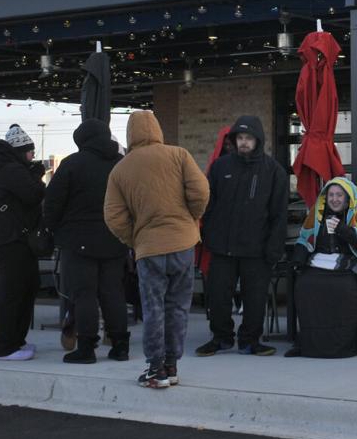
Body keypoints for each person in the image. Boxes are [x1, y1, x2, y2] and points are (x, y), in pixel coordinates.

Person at [104, 110, 210, 388]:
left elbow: (113, 216)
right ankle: (172, 364)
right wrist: (190, 219)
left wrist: (134, 239)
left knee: (154, 308)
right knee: (178, 307)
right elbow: (201, 191)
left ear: (130, 134)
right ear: (158, 130)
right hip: (183, 243)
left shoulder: (121, 169)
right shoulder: (179, 155)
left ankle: (155, 368)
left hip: (149, 249)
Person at [195, 115, 288, 359]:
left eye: (248, 138)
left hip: (257, 249)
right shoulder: (220, 167)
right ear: (234, 140)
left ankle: (250, 341)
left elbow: (279, 214)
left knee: (255, 298)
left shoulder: (273, 171)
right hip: (221, 246)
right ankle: (221, 338)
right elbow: (208, 204)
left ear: (258, 140)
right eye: (240, 138)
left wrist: (273, 249)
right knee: (217, 296)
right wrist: (208, 235)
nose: (244, 142)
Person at [44, 120, 130, 363]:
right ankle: (120, 344)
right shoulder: (120, 164)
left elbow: (52, 203)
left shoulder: (72, 164)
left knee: (84, 294)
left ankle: (86, 347)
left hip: (78, 240)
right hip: (115, 237)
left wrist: (53, 229)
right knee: (113, 292)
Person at [289, 177, 357, 357]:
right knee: (304, 284)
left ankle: (350, 343)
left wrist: (344, 230)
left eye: (339, 195)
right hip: (320, 263)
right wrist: (298, 259)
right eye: (331, 195)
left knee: (345, 288)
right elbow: (305, 237)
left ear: (348, 198)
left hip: (351, 264)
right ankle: (307, 343)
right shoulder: (317, 213)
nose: (334, 199)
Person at [0, 125, 47, 361]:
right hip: (10, 239)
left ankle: (16, 341)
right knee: (15, 292)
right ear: (20, 151)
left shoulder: (3, 167)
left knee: (25, 287)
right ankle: (6, 346)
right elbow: (33, 195)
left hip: (7, 237)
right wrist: (37, 177)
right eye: (30, 151)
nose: (33, 156)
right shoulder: (11, 170)